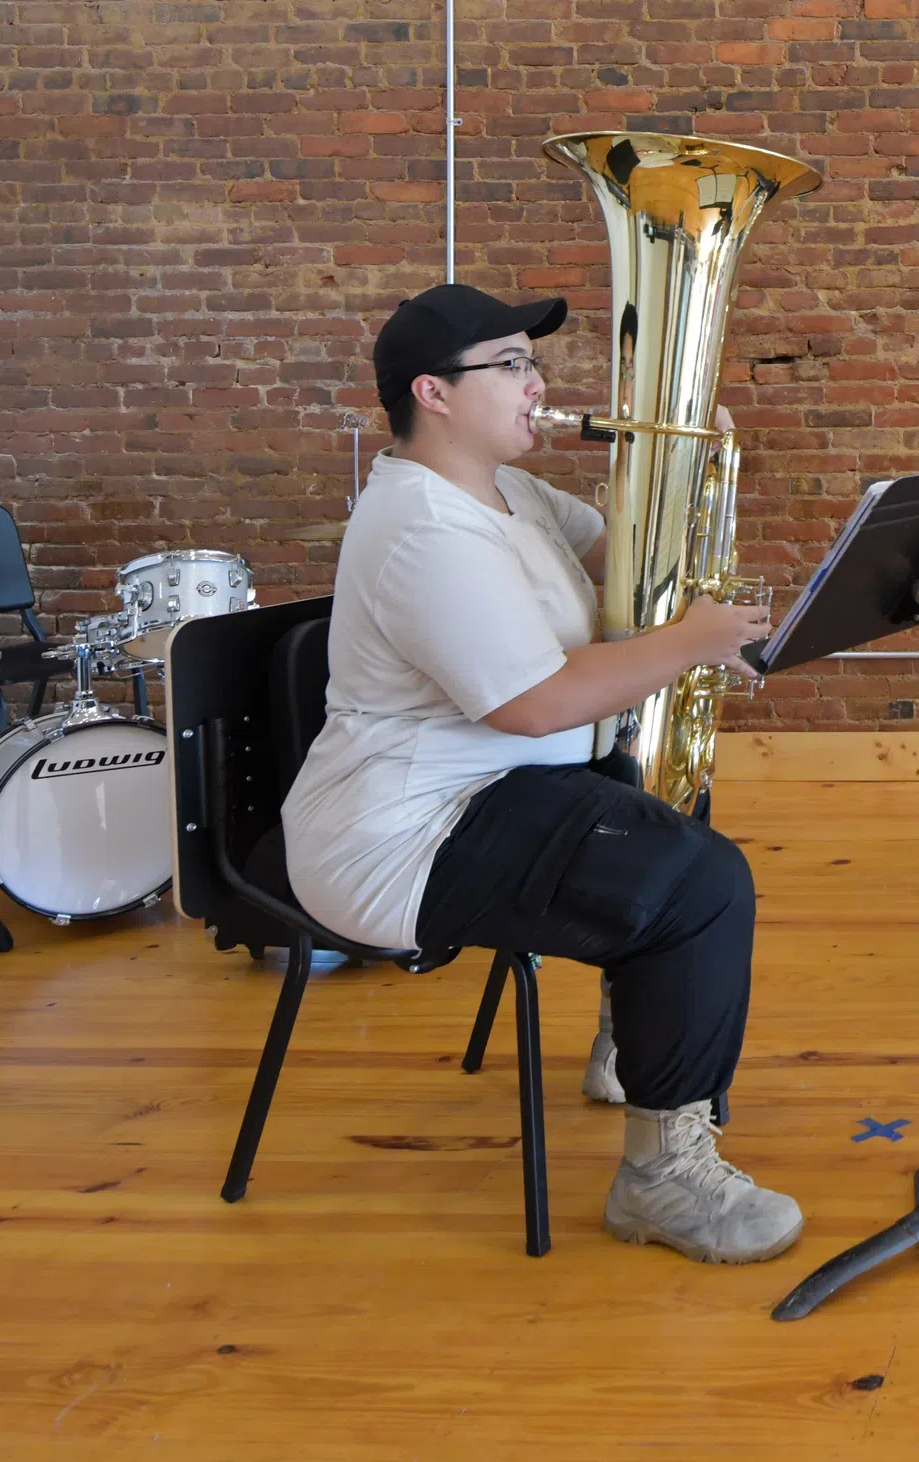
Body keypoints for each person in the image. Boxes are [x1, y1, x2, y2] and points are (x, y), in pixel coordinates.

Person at [283, 281, 800, 1265]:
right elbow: (534, 702)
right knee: (702, 877)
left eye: (534, 361)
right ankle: (662, 1173)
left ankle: (640, 1024)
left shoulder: (506, 493)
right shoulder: (425, 527)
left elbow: (628, 556)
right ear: (433, 393)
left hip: (498, 786)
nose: (539, 383)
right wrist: (689, 641)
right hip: (405, 834)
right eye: (512, 364)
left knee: (665, 795)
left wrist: (689, 478)